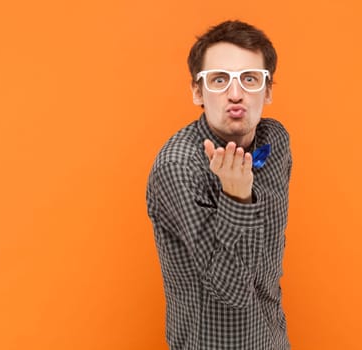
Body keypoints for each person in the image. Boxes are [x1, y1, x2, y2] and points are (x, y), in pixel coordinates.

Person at [146, 20, 292, 349]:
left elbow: (268, 259)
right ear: (198, 91)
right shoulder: (179, 167)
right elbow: (233, 290)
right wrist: (237, 197)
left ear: (267, 91)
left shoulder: (276, 142)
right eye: (219, 80)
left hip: (272, 337)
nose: (236, 94)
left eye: (250, 79)